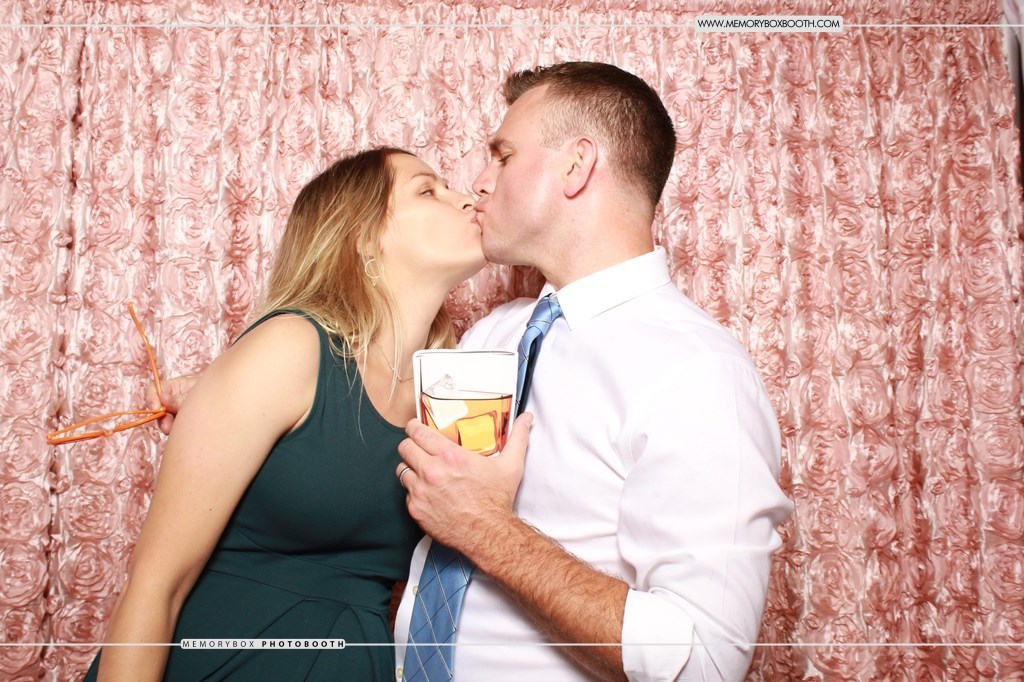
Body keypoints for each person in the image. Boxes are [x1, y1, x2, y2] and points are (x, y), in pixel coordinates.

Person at [392, 62, 793, 681]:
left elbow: (705, 662)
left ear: (576, 166)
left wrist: (488, 530)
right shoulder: (493, 334)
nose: (480, 180)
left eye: (503, 155)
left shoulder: (698, 373)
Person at [85, 147, 488, 681]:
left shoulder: (446, 391)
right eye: (427, 190)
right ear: (363, 237)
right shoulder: (289, 349)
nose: (466, 199)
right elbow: (155, 585)